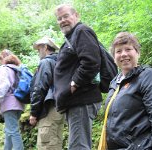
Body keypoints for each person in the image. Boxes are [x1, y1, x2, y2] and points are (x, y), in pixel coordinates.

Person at [105, 32, 152, 149]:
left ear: (137, 52)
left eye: (128, 49)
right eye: (118, 51)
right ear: (114, 57)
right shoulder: (115, 83)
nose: (123, 54)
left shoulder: (148, 76)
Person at [54, 4, 102, 150]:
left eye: (66, 16)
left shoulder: (81, 31)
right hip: (76, 101)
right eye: (59, 18)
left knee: (78, 146)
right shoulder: (72, 37)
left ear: (76, 15)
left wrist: (73, 84)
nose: (62, 20)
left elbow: (91, 62)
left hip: (81, 99)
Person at [29, 36, 64, 150]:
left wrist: (34, 113)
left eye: (39, 49)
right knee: (56, 143)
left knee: (46, 145)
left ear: (45, 47)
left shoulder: (45, 62)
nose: (38, 52)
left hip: (48, 109)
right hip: (59, 109)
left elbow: (39, 88)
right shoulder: (59, 62)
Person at [0, 49, 24, 150]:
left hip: (9, 104)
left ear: (3, 59)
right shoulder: (16, 69)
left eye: (0, 60)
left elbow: (3, 86)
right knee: (9, 131)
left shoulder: (5, 68)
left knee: (13, 131)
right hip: (19, 104)